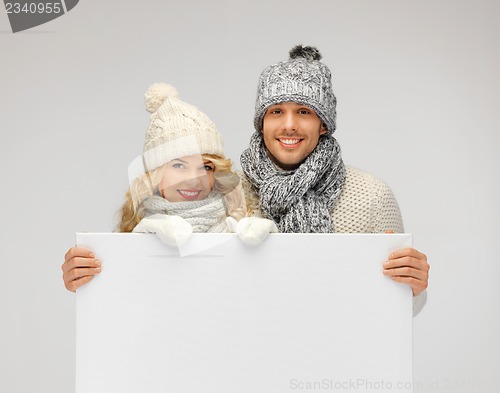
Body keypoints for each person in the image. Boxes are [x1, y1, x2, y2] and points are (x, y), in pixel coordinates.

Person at [239, 45, 429, 315]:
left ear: (323, 123)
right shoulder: (230, 192)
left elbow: (400, 308)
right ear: (262, 123)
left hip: (339, 350)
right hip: (249, 348)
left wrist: (414, 286)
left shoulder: (372, 195)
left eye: (304, 111)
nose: (289, 125)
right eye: (276, 111)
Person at [61, 82, 275, 292]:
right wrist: (84, 276)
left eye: (205, 167)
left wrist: (274, 248)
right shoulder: (132, 235)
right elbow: (122, 302)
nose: (194, 179)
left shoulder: (241, 221)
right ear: (155, 174)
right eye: (179, 165)